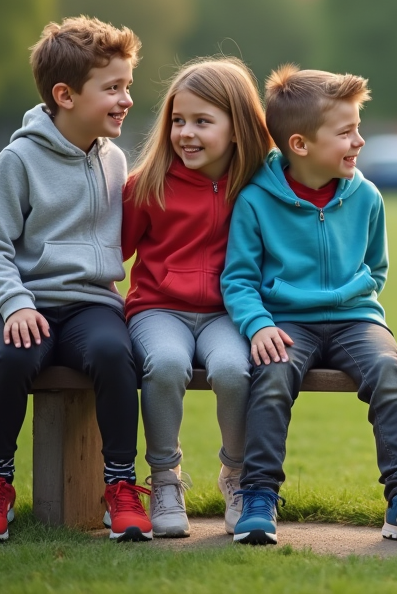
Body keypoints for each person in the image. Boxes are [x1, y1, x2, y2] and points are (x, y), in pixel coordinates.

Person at [221, 66, 397, 546]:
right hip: (285, 323)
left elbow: (376, 267)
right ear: (301, 145)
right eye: (346, 133)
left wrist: (351, 293)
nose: (359, 141)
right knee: (271, 375)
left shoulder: (366, 195)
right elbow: (239, 279)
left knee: (390, 375)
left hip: (356, 320)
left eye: (358, 129)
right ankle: (258, 496)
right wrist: (259, 324)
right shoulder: (255, 202)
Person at [0, 16, 151, 542]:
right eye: (112, 88)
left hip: (93, 308)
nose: (125, 99)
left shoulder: (114, 159)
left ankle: (120, 488)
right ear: (65, 95)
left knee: (117, 356)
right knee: (16, 359)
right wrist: (14, 303)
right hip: (28, 306)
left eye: (127, 86)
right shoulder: (18, 160)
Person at [122, 58, 272, 537]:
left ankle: (237, 475)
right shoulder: (146, 185)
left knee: (232, 369)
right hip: (158, 309)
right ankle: (166, 478)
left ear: (238, 127)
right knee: (164, 364)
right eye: (178, 121)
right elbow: (108, 258)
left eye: (202, 122)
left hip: (227, 313)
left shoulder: (259, 185)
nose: (185, 133)